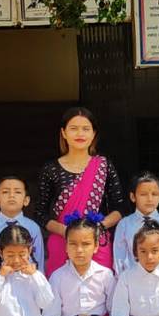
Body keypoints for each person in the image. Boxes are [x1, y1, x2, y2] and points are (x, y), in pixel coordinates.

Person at [37, 107, 125, 276]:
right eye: (73, 128)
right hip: (62, 242)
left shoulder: (104, 166)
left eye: (85, 129)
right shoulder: (50, 169)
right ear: (63, 133)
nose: (80, 134)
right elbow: (40, 213)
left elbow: (120, 208)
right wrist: (66, 231)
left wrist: (97, 228)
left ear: (93, 134)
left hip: (96, 243)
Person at [113, 171, 159, 274]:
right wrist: (123, 279)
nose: (149, 199)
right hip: (133, 279)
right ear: (133, 197)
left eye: (154, 194)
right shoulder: (124, 224)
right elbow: (119, 258)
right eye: (143, 194)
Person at [0, 176, 45, 275]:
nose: (11, 195)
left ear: (26, 200)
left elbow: (39, 261)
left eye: (17, 192)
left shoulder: (33, 228)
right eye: (5, 192)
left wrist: (38, 279)